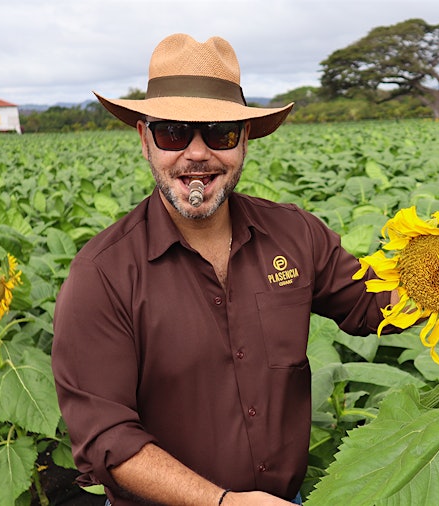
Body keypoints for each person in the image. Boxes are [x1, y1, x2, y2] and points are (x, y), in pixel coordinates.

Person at [51, 33, 395, 506]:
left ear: (244, 139)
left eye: (220, 133)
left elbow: (375, 304)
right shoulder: (103, 274)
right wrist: (223, 502)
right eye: (173, 131)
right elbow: (105, 438)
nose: (197, 153)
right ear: (144, 139)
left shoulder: (296, 235)